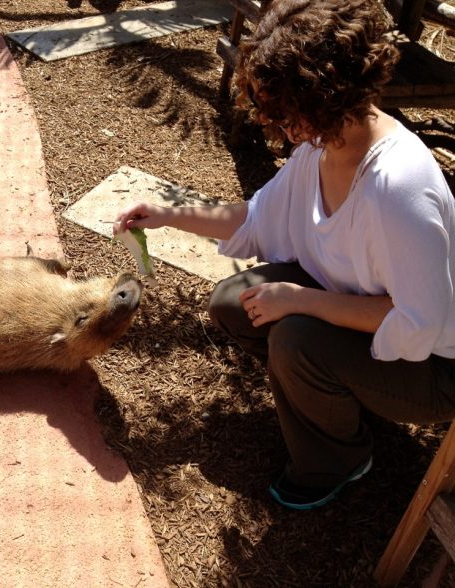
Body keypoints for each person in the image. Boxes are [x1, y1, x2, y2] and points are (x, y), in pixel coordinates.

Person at [113, 0, 455, 510]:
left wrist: (299, 300)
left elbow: (416, 319)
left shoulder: (398, 186)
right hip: (368, 314)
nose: (280, 124)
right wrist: (166, 213)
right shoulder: (323, 146)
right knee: (235, 300)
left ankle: (337, 458)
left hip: (434, 366)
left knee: (295, 338)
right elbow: (254, 218)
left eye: (288, 108)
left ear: (328, 91)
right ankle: (331, 398)